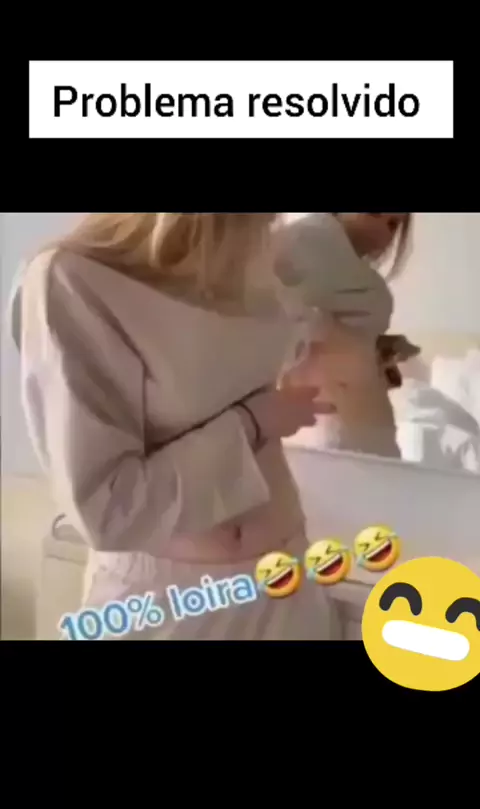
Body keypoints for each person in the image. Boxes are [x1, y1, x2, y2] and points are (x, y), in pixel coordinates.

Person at [17, 212, 340, 641]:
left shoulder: (256, 256)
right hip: (163, 604)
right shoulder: (73, 279)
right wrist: (253, 423)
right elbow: (108, 509)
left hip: (287, 587)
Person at [275, 212, 416, 457]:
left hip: (362, 425)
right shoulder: (307, 241)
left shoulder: (342, 265)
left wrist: (375, 349)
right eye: (374, 213)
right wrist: (337, 334)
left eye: (393, 224)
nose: (382, 230)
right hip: (329, 429)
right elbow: (275, 317)